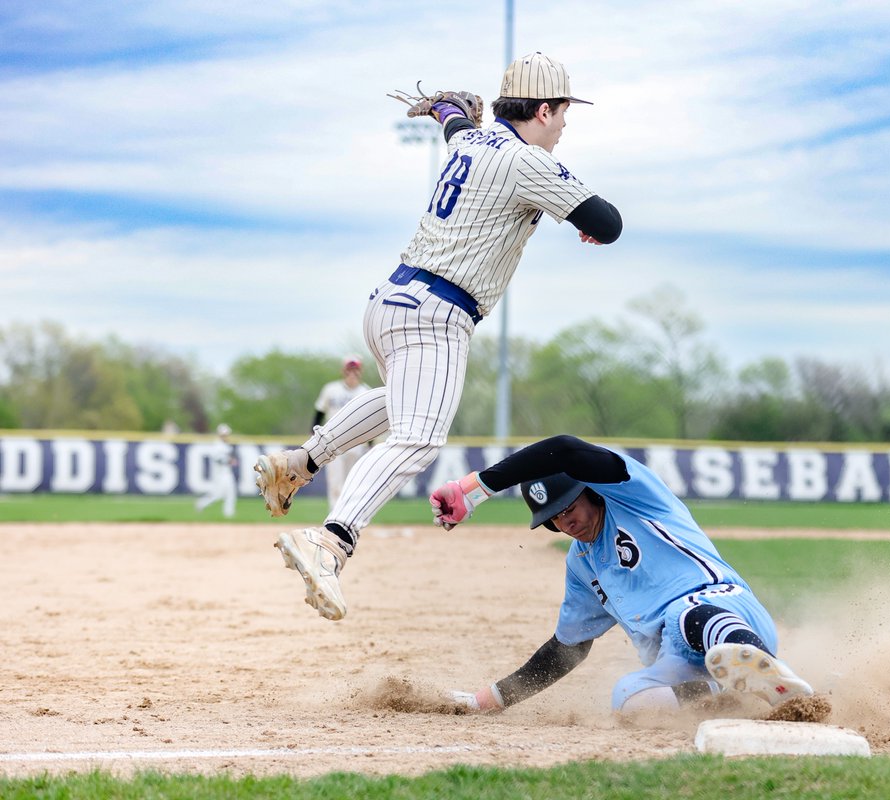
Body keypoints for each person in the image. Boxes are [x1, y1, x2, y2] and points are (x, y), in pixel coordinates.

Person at [253, 52, 622, 621]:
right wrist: (582, 222)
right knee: (419, 438)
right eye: (565, 111)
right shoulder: (527, 161)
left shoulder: (470, 143)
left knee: (402, 408)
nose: (567, 123)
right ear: (544, 109)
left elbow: (454, 120)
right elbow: (609, 223)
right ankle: (329, 541)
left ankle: (300, 462)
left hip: (390, 301)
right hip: (438, 311)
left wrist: (449, 111)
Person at [428, 435, 814, 715]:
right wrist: (488, 700)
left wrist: (474, 488)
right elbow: (567, 649)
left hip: (722, 608)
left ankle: (779, 682)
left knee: (686, 615)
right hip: (675, 657)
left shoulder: (635, 496)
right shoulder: (581, 563)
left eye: (569, 506)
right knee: (628, 700)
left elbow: (563, 448)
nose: (567, 521)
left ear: (590, 490)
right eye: (555, 517)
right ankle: (727, 694)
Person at [312, 356, 371, 508]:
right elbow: (319, 412)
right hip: (332, 442)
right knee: (335, 483)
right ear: (343, 371)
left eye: (355, 369)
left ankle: (349, 518)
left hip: (357, 443)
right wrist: (314, 438)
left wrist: (370, 444)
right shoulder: (331, 389)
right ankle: (334, 518)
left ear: (360, 371)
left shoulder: (366, 392)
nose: (352, 373)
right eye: (349, 369)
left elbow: (372, 421)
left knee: (353, 484)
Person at [194, 424, 237, 519]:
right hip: (219, 473)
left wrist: (231, 460)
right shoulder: (217, 445)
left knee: (231, 493)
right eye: (224, 434)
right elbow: (217, 459)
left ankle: (229, 513)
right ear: (220, 434)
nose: (226, 436)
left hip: (227, 472)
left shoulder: (226, 445)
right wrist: (229, 460)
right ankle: (201, 503)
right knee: (218, 495)